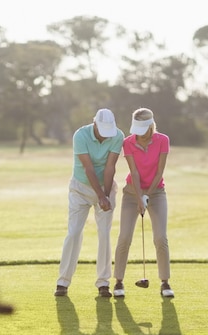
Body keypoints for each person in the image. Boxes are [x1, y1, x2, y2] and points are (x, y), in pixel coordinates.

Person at [54, 108, 124, 298]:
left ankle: (103, 283)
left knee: (104, 234)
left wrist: (107, 195)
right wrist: (100, 196)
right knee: (74, 232)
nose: (105, 134)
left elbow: (110, 168)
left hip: (106, 186)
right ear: (95, 124)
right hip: (80, 188)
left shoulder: (117, 135)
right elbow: (88, 168)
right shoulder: (81, 135)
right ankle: (63, 281)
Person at [113, 107, 174, 298]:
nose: (138, 134)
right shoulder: (128, 143)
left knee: (160, 238)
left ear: (150, 126)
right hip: (132, 193)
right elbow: (135, 173)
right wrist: (140, 197)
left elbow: (159, 172)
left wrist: (148, 195)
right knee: (124, 237)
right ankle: (118, 282)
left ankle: (165, 282)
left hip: (157, 192)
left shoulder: (162, 140)